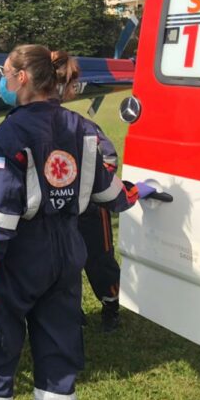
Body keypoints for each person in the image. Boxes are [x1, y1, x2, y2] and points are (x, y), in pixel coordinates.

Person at [0, 44, 157, 400]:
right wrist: (139, 191)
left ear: (21, 78)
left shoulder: (10, 133)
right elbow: (110, 194)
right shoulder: (85, 129)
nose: (3, 83)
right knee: (58, 358)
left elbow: (0, 218)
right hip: (67, 255)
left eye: (5, 75)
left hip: (18, 257)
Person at [78, 126, 123, 331]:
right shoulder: (41, 125)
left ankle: (111, 307)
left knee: (101, 262)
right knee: (66, 264)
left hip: (93, 208)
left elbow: (109, 159)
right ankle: (72, 312)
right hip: (63, 211)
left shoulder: (83, 125)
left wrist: (91, 186)